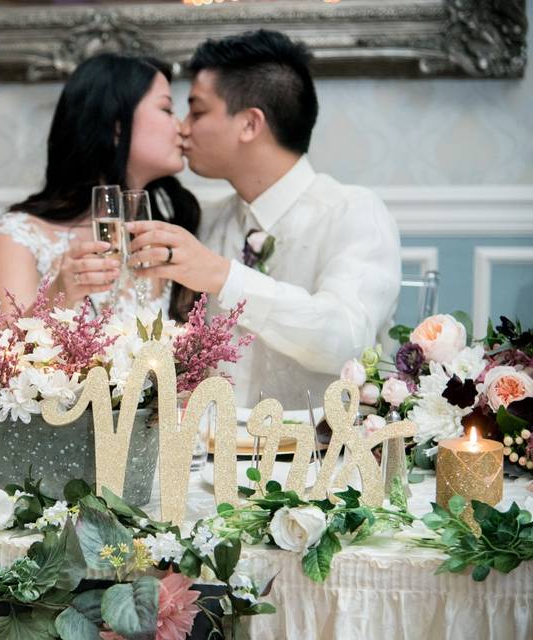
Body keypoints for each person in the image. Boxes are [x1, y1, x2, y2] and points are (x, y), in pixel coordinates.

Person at [127, 30, 402, 409]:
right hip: (208, 458)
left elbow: (346, 340)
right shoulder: (207, 222)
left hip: (322, 459)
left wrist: (225, 277)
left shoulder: (353, 212)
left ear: (250, 125)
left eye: (197, 110)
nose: (183, 127)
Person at [0, 53, 201, 321]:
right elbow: (1, 359)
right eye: (167, 110)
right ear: (117, 125)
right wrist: (59, 294)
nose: (180, 127)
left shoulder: (172, 232)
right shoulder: (17, 237)